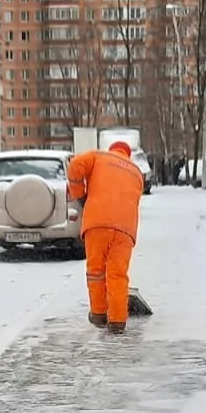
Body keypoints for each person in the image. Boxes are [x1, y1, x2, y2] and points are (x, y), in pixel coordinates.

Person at [67, 139, 144, 333]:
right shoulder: (136, 172)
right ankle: (118, 321)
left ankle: (99, 313)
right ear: (128, 154)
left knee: (96, 270)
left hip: (98, 222)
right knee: (117, 273)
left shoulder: (98, 156)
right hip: (125, 228)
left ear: (113, 150)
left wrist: (80, 194)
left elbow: (75, 165)